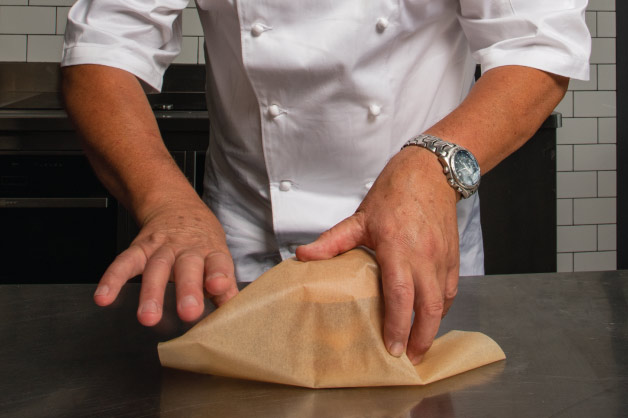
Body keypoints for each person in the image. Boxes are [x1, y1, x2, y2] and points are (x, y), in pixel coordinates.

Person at [60, 1, 590, 365]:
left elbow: (536, 44)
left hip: (418, 234)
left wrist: (430, 168)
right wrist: (165, 202)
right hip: (244, 250)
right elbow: (102, 49)